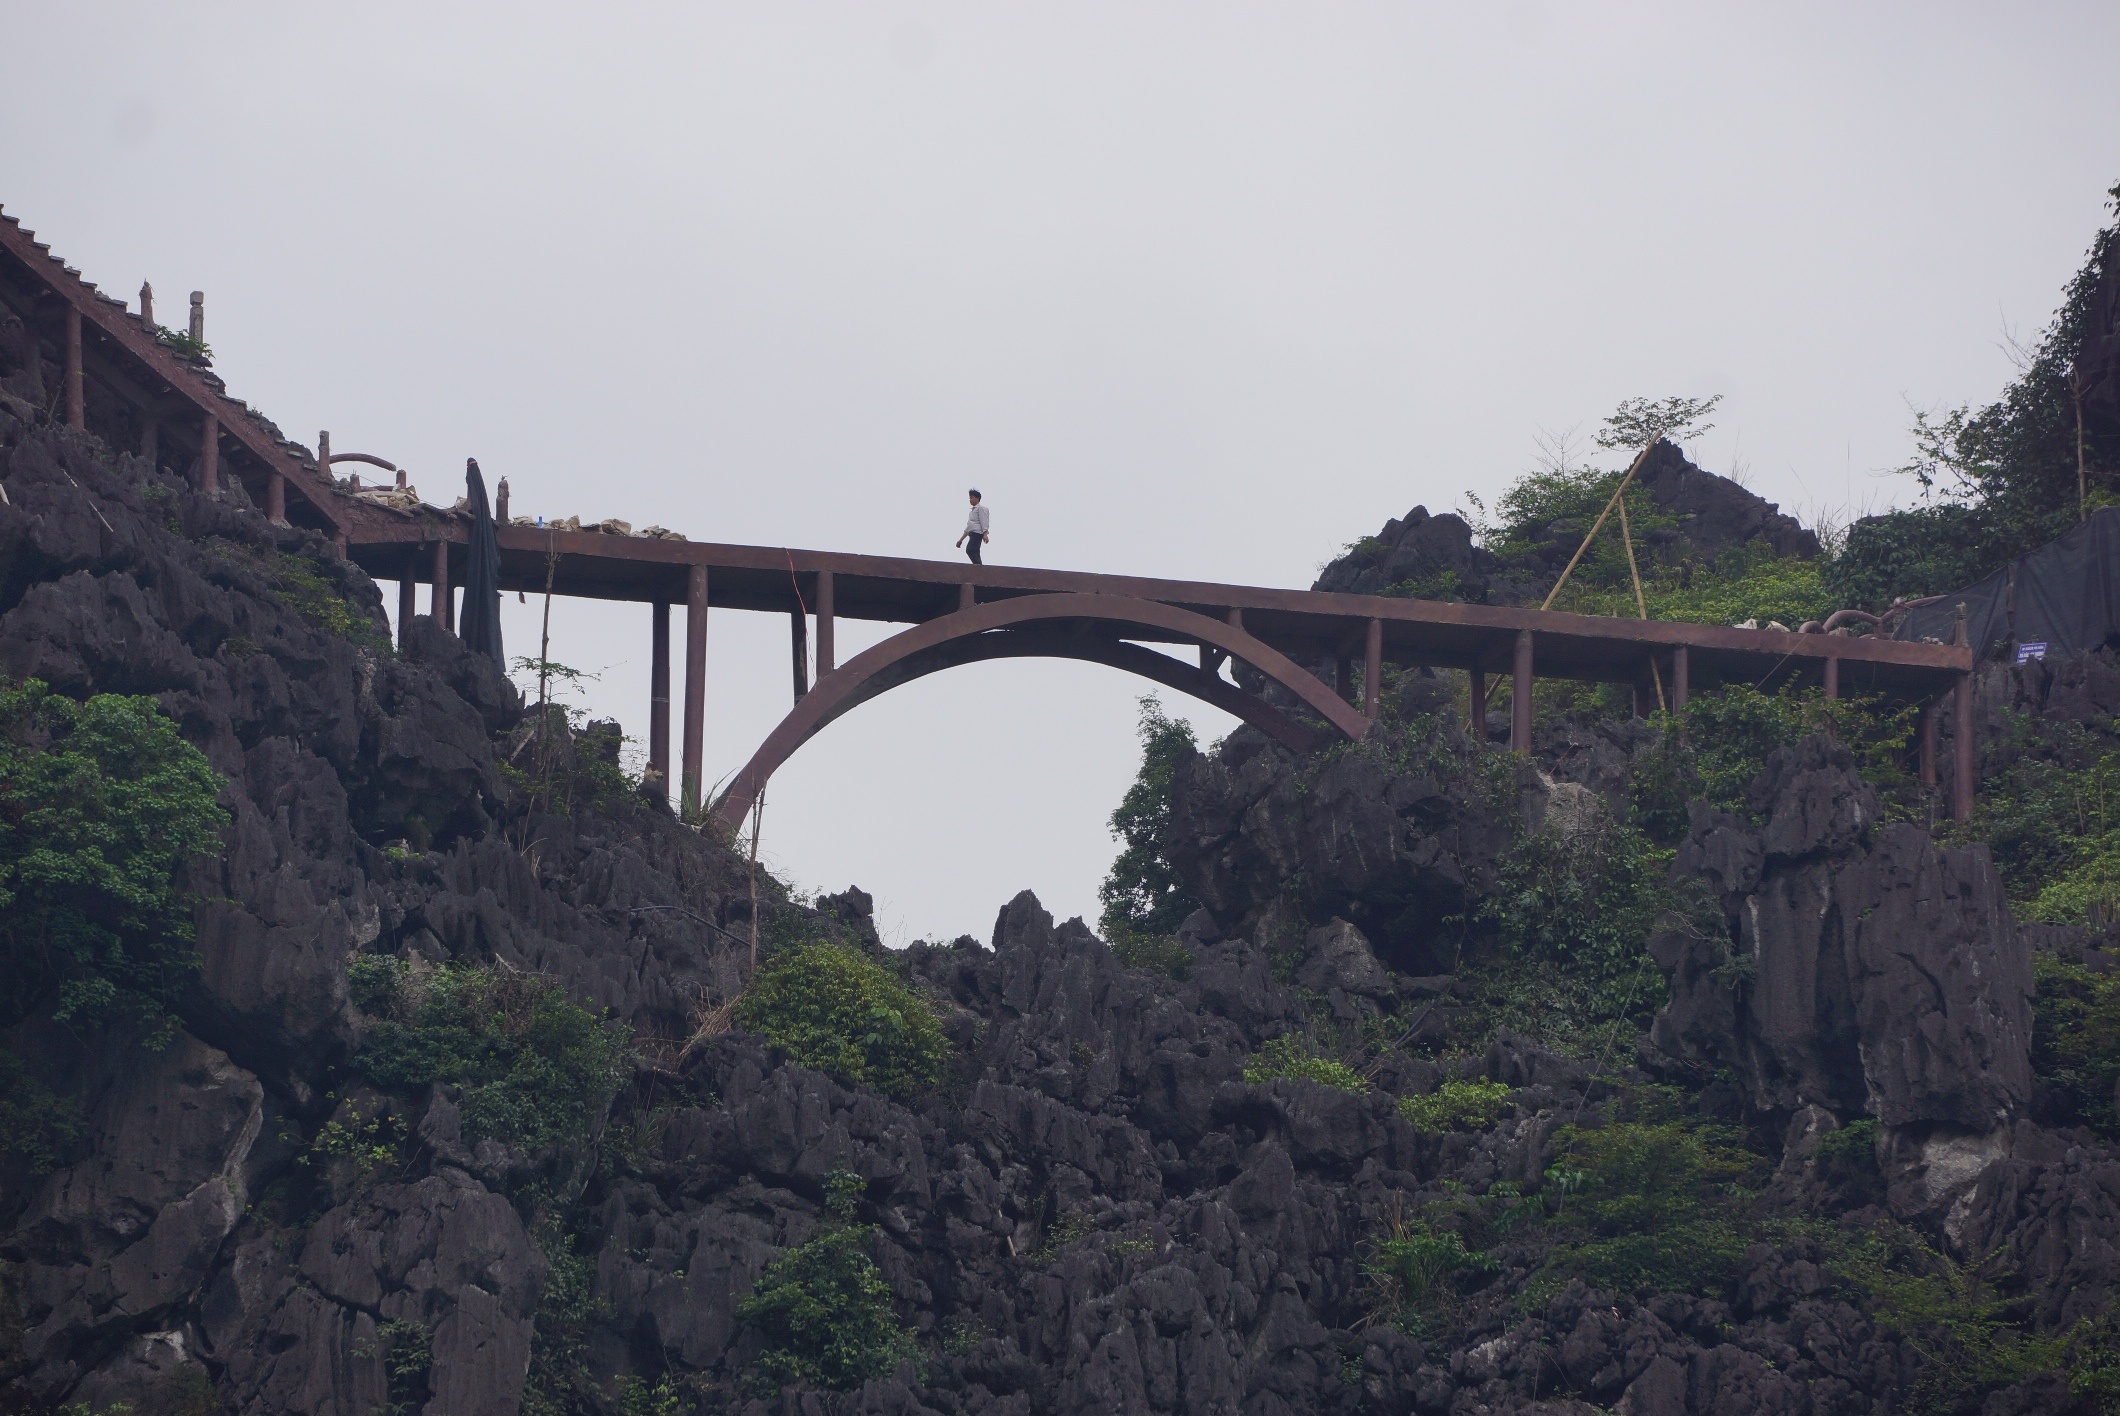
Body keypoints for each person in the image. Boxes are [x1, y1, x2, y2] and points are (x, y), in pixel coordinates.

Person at [955, 489, 990, 564]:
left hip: (977, 533)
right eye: (969, 498)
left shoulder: (981, 508)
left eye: (971, 497)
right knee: (975, 552)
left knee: (970, 550)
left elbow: (984, 521)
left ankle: (979, 568)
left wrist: (985, 534)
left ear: (977, 498)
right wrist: (960, 540)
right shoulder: (972, 512)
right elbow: (969, 528)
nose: (970, 500)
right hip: (972, 534)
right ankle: (979, 569)